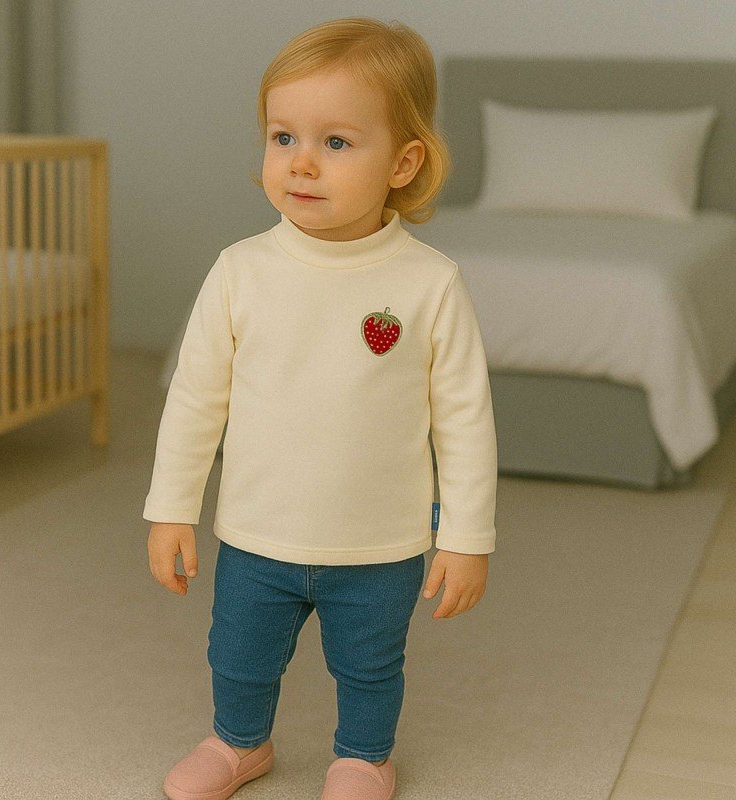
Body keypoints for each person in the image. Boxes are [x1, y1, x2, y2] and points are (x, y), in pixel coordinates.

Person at [143, 15, 498, 800]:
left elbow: (465, 423)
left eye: (335, 142)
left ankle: (365, 758)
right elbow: (195, 401)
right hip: (257, 530)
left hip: (380, 542)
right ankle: (239, 742)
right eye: (283, 138)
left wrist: (467, 536)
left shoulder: (429, 284)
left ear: (403, 162)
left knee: (369, 665)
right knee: (239, 654)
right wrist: (171, 508)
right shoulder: (240, 271)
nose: (301, 162)